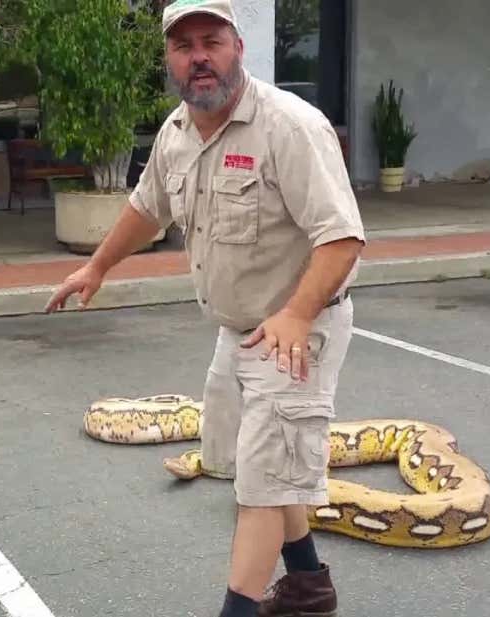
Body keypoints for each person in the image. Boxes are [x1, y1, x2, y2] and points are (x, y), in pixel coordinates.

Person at [44, 0, 366, 615]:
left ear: (237, 47)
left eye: (211, 41)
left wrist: (297, 314)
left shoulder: (290, 127)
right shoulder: (177, 131)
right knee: (255, 469)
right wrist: (98, 265)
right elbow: (147, 207)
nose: (198, 57)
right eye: (183, 45)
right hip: (236, 330)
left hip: (298, 331)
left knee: (262, 490)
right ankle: (307, 582)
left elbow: (341, 237)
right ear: (169, 58)